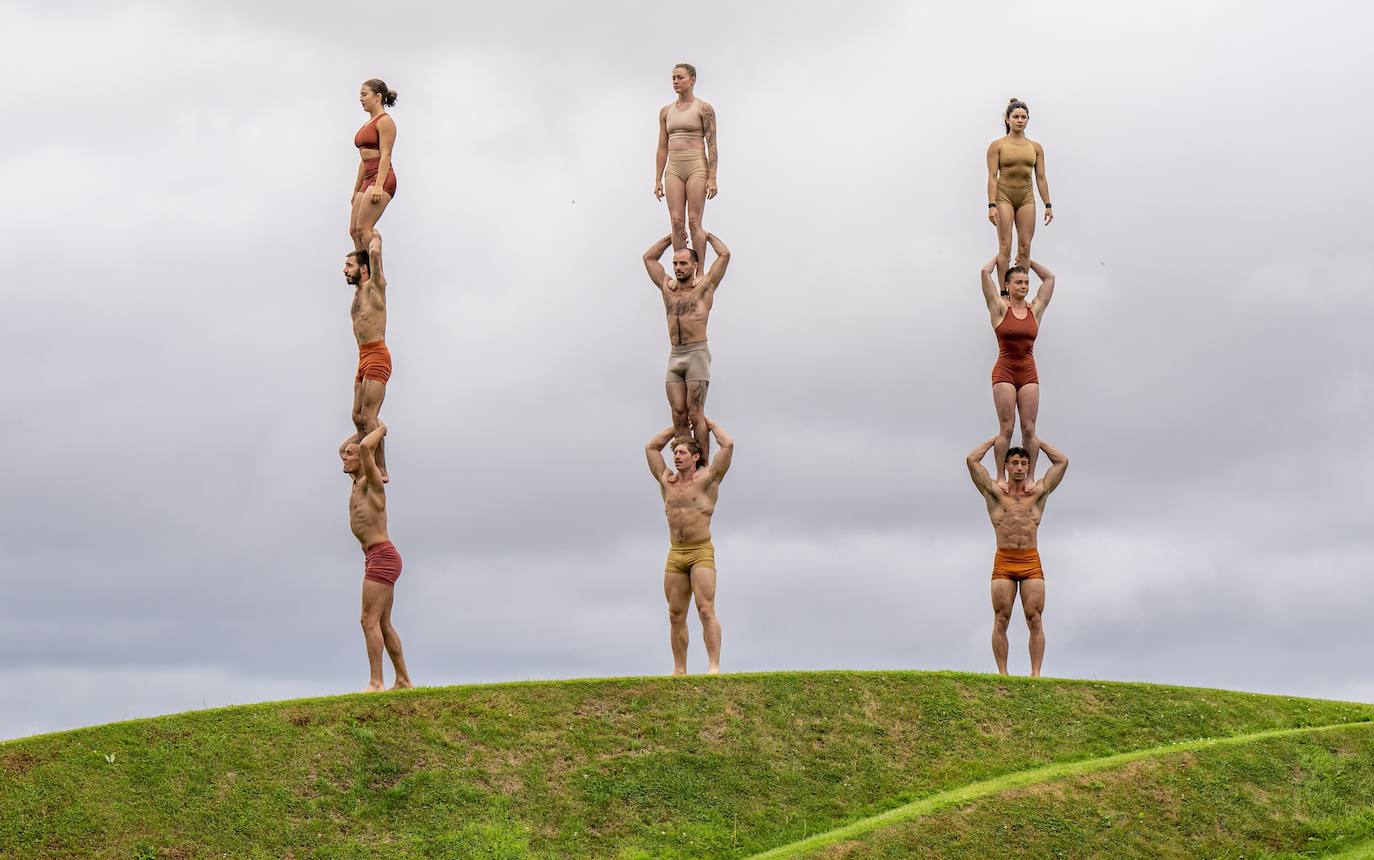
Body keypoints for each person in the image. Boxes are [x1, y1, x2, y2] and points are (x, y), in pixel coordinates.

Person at [965, 436, 1068, 677]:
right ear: (1007, 466)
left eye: (1023, 463)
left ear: (1029, 467)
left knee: (1035, 619)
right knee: (1001, 619)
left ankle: (1035, 675)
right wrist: (999, 438)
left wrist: (1035, 440)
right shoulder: (994, 492)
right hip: (1004, 561)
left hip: (1030, 561)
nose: (1019, 467)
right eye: (1014, 463)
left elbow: (1062, 461)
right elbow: (972, 460)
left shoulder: (1038, 492)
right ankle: (1003, 674)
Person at [645, 420, 734, 675]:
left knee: (705, 610)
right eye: (675, 452)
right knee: (675, 615)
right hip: (676, 553)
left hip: (700, 551)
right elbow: (651, 448)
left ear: (695, 457)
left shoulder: (708, 479)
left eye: (682, 452)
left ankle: (714, 666)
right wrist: (677, 426)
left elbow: (728, 445)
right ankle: (679, 670)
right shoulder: (667, 481)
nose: (676, 456)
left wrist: (707, 423)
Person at [643, 232, 731, 461]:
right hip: (675, 355)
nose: (677, 268)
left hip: (696, 353)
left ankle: (702, 465)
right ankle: (686, 465)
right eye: (675, 263)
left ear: (695, 266)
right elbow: (648, 258)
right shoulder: (667, 287)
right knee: (678, 414)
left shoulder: (704, 287)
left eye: (683, 263)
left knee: (695, 414)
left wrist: (704, 235)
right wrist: (671, 238)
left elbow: (724, 254)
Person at [340, 422, 412, 692]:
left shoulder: (372, 483)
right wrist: (362, 428)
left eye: (350, 455)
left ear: (363, 460)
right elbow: (349, 447)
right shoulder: (356, 482)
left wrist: (379, 429)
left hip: (382, 556)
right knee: (382, 623)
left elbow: (365, 448)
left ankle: (376, 682)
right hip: (375, 557)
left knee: (367, 621)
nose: (344, 457)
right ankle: (403, 680)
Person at [979, 256, 1055, 486]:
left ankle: (1030, 477)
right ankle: (1001, 477)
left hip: (1028, 371)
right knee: (1007, 427)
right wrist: (1001, 256)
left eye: (1026, 282)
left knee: (1029, 428)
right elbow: (985, 273)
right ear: (1008, 285)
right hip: (1005, 371)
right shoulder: (999, 308)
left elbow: (1049, 278)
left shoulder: (1036, 309)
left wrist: (1029, 261)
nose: (1024, 286)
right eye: (1019, 282)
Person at [654, 63, 718, 267]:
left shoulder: (704, 108)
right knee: (676, 221)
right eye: (673, 78)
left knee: (693, 220)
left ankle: (699, 270)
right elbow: (662, 147)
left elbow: (712, 145)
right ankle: (681, 267)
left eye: (680, 77)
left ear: (692, 80)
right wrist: (657, 179)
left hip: (696, 166)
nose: (675, 82)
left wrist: (712, 177)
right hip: (674, 168)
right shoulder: (666, 111)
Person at [986, 98, 1053, 289]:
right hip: (1004, 197)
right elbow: (992, 177)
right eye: (1016, 116)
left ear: (1028, 120)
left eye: (1024, 117)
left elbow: (1041, 178)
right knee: (1006, 246)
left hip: (1026, 198)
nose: (1020, 120)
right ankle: (1004, 293)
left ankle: (1020, 291)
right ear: (1007, 119)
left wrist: (1048, 204)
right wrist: (991, 205)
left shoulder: (1035, 147)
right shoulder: (997, 145)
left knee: (1024, 246)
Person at [342, 229, 391, 481]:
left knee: (369, 417)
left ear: (363, 269)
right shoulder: (358, 293)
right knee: (357, 416)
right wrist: (357, 235)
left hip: (377, 355)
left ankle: (380, 467)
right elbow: (360, 248)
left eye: (349, 265)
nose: (344, 270)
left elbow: (373, 255)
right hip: (362, 356)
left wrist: (374, 238)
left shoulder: (375, 288)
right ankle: (363, 457)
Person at [350, 78, 398, 252]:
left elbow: (386, 155)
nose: (361, 99)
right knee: (354, 231)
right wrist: (356, 190)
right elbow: (363, 162)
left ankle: (376, 266)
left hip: (381, 176)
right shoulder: (366, 124)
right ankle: (362, 268)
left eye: (364, 95)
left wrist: (379, 185)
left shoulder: (385, 121)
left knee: (364, 228)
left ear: (377, 97)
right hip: (367, 176)